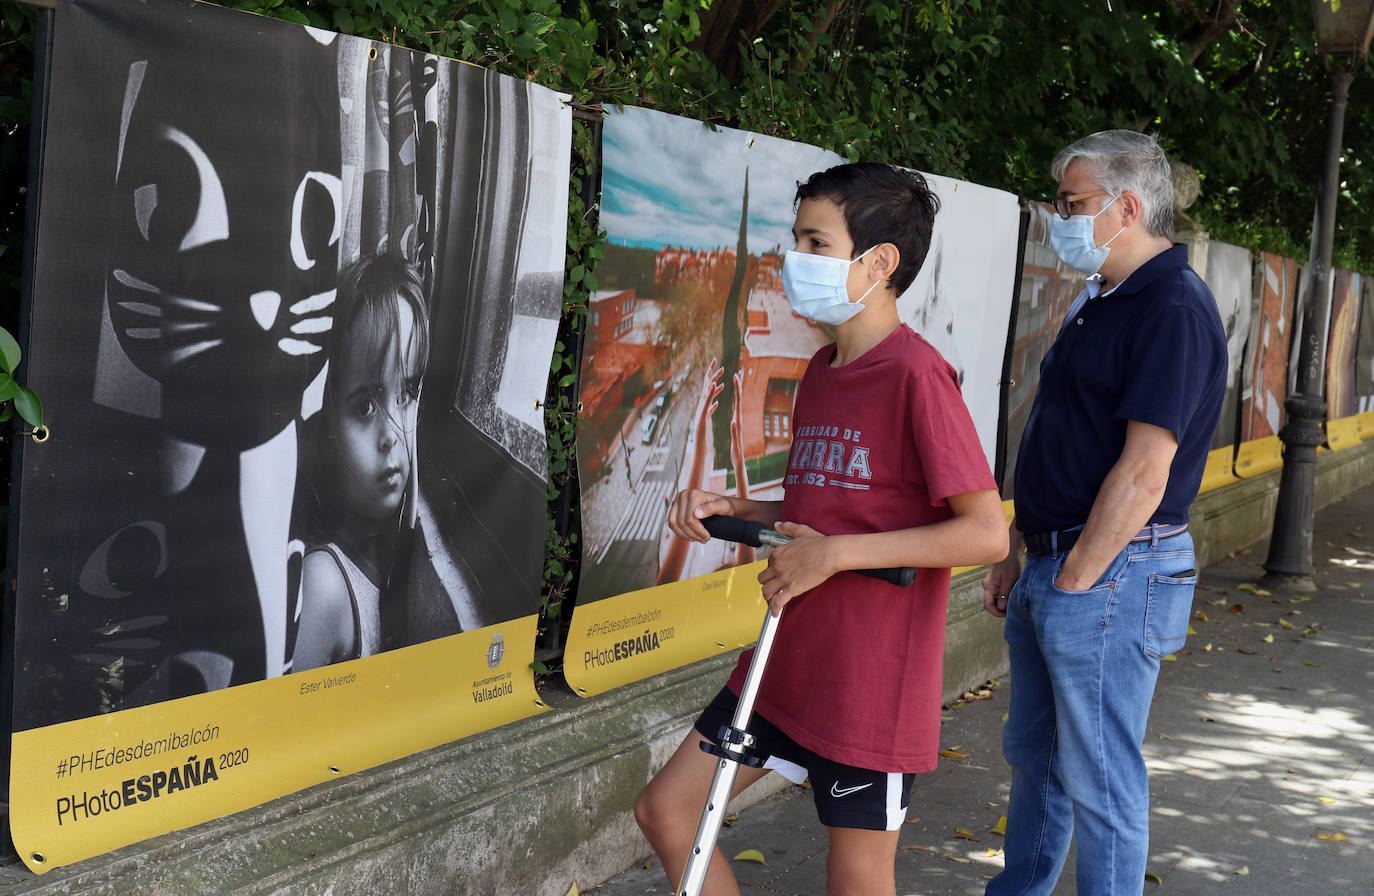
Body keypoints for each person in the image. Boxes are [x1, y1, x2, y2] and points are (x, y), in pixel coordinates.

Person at [635, 162, 1009, 896]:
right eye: (795, 239)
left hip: (870, 683)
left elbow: (985, 533)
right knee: (669, 812)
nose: (793, 260)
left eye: (815, 242)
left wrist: (837, 556)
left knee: (857, 878)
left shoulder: (917, 377)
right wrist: (737, 513)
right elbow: (827, 511)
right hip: (784, 661)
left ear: (878, 263)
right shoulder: (822, 369)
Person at [982, 131, 1227, 896]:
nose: (1059, 216)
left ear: (1126, 206)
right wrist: (1018, 544)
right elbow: (1070, 435)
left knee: (1101, 782)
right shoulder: (1105, 298)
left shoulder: (1172, 307)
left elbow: (1145, 471)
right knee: (1040, 766)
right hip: (1065, 564)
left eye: (1071, 202)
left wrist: (1078, 577)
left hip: (1111, 572)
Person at [293, 253, 431, 671]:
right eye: (365, 406)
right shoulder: (325, 587)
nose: (392, 435)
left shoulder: (384, 550)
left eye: (406, 394)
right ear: (328, 422)